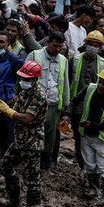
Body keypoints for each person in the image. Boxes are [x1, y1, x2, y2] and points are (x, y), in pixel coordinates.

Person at [0, 61, 48, 207]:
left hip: (32, 142)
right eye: (21, 77)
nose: (22, 80)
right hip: (19, 139)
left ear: (35, 79)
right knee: (7, 165)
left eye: (26, 78)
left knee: (32, 178)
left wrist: (8, 112)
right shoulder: (25, 91)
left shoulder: (38, 95)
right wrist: (4, 106)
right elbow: (17, 104)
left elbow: (27, 118)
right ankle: (14, 200)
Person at [61, 67, 104, 206]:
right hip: (86, 134)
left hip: (101, 137)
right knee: (89, 162)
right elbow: (75, 100)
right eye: (100, 82)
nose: (101, 86)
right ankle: (93, 188)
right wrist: (67, 114)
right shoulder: (90, 89)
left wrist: (93, 125)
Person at [25, 32, 70, 171]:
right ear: (47, 42)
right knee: (32, 132)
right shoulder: (34, 55)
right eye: (55, 45)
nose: (57, 49)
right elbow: (25, 77)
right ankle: (30, 162)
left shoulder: (63, 60)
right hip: (35, 103)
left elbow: (65, 83)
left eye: (60, 47)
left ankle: (46, 164)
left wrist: (65, 108)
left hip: (53, 103)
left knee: (50, 134)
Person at [68, 30, 104, 169]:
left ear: (101, 46)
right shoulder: (75, 59)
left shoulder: (103, 63)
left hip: (94, 107)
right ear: (85, 44)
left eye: (96, 44)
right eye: (90, 43)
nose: (92, 46)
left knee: (93, 138)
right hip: (77, 106)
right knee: (79, 138)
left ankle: (93, 167)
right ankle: (82, 166)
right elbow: (68, 81)